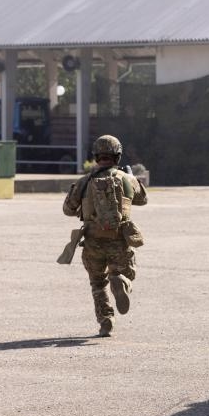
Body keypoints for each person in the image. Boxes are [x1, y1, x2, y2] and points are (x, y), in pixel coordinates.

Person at [62, 135, 147, 337]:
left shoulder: (84, 182)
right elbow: (143, 199)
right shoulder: (126, 179)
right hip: (119, 239)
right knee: (125, 272)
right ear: (117, 156)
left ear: (96, 156)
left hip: (92, 242)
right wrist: (130, 178)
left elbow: (67, 209)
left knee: (98, 284)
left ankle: (106, 321)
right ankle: (122, 281)